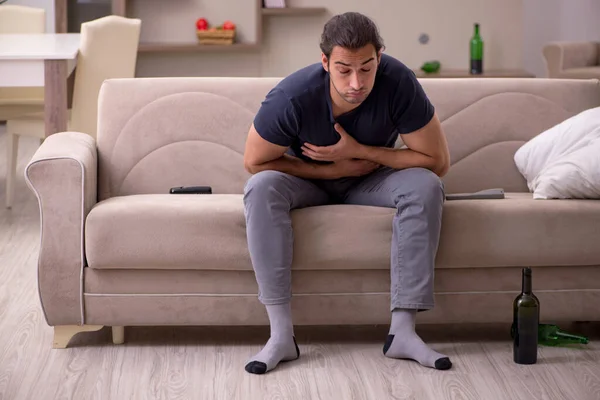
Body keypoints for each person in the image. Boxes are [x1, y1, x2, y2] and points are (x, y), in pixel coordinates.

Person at [242, 11, 451, 375]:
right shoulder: (292, 97)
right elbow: (255, 162)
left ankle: (402, 332)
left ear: (379, 57)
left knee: (426, 184)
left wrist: (359, 153)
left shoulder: (398, 82)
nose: (356, 82)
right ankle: (281, 336)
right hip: (306, 185)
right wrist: (331, 169)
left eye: (366, 68)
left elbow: (437, 160)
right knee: (260, 187)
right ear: (325, 62)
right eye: (343, 69)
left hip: (371, 180)